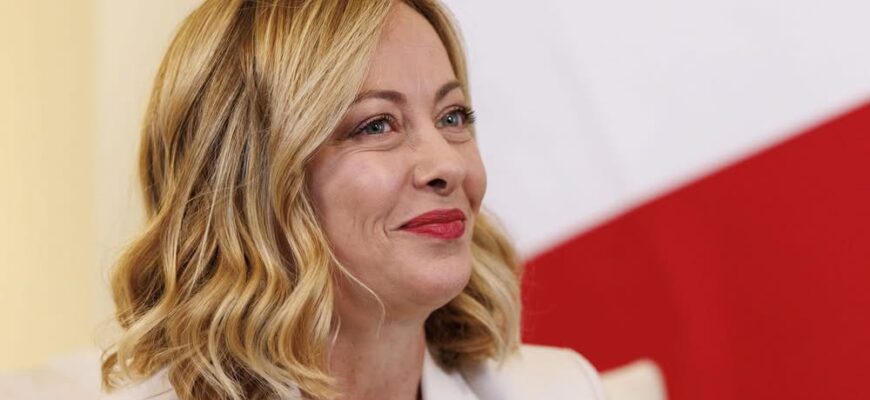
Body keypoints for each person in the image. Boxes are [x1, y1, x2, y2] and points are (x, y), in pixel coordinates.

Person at [101, 1, 608, 399]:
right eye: (377, 125)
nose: (449, 165)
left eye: (452, 117)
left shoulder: (562, 389)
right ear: (250, 177)